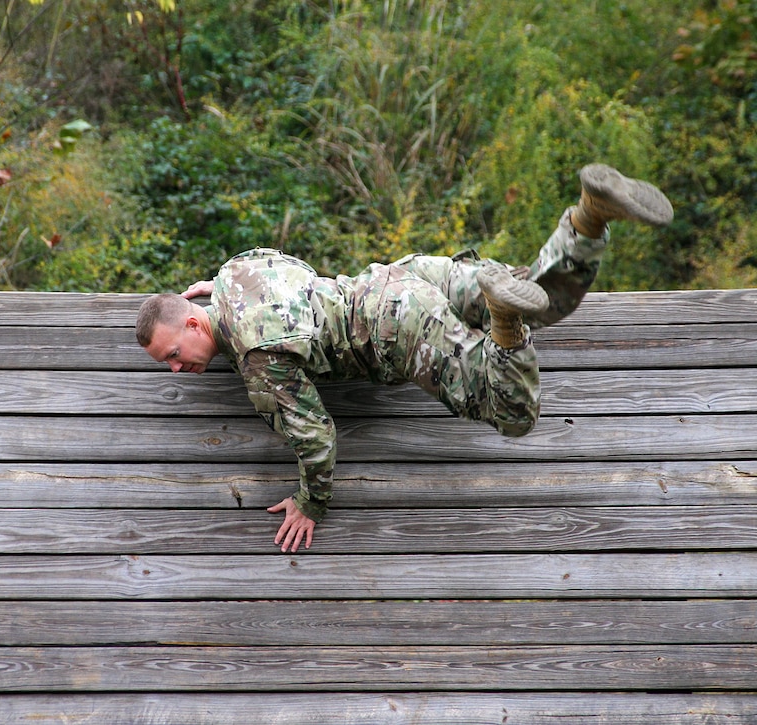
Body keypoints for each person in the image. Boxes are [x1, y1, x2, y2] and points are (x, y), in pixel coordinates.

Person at [135, 164, 673, 553]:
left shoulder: (257, 362)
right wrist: (221, 292)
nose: (178, 369)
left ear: (192, 320)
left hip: (395, 327)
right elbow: (287, 270)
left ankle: (504, 327)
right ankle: (588, 217)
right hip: (404, 276)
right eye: (169, 365)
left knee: (513, 411)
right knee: (539, 295)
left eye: (176, 355)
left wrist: (310, 502)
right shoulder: (236, 270)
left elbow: (317, 437)